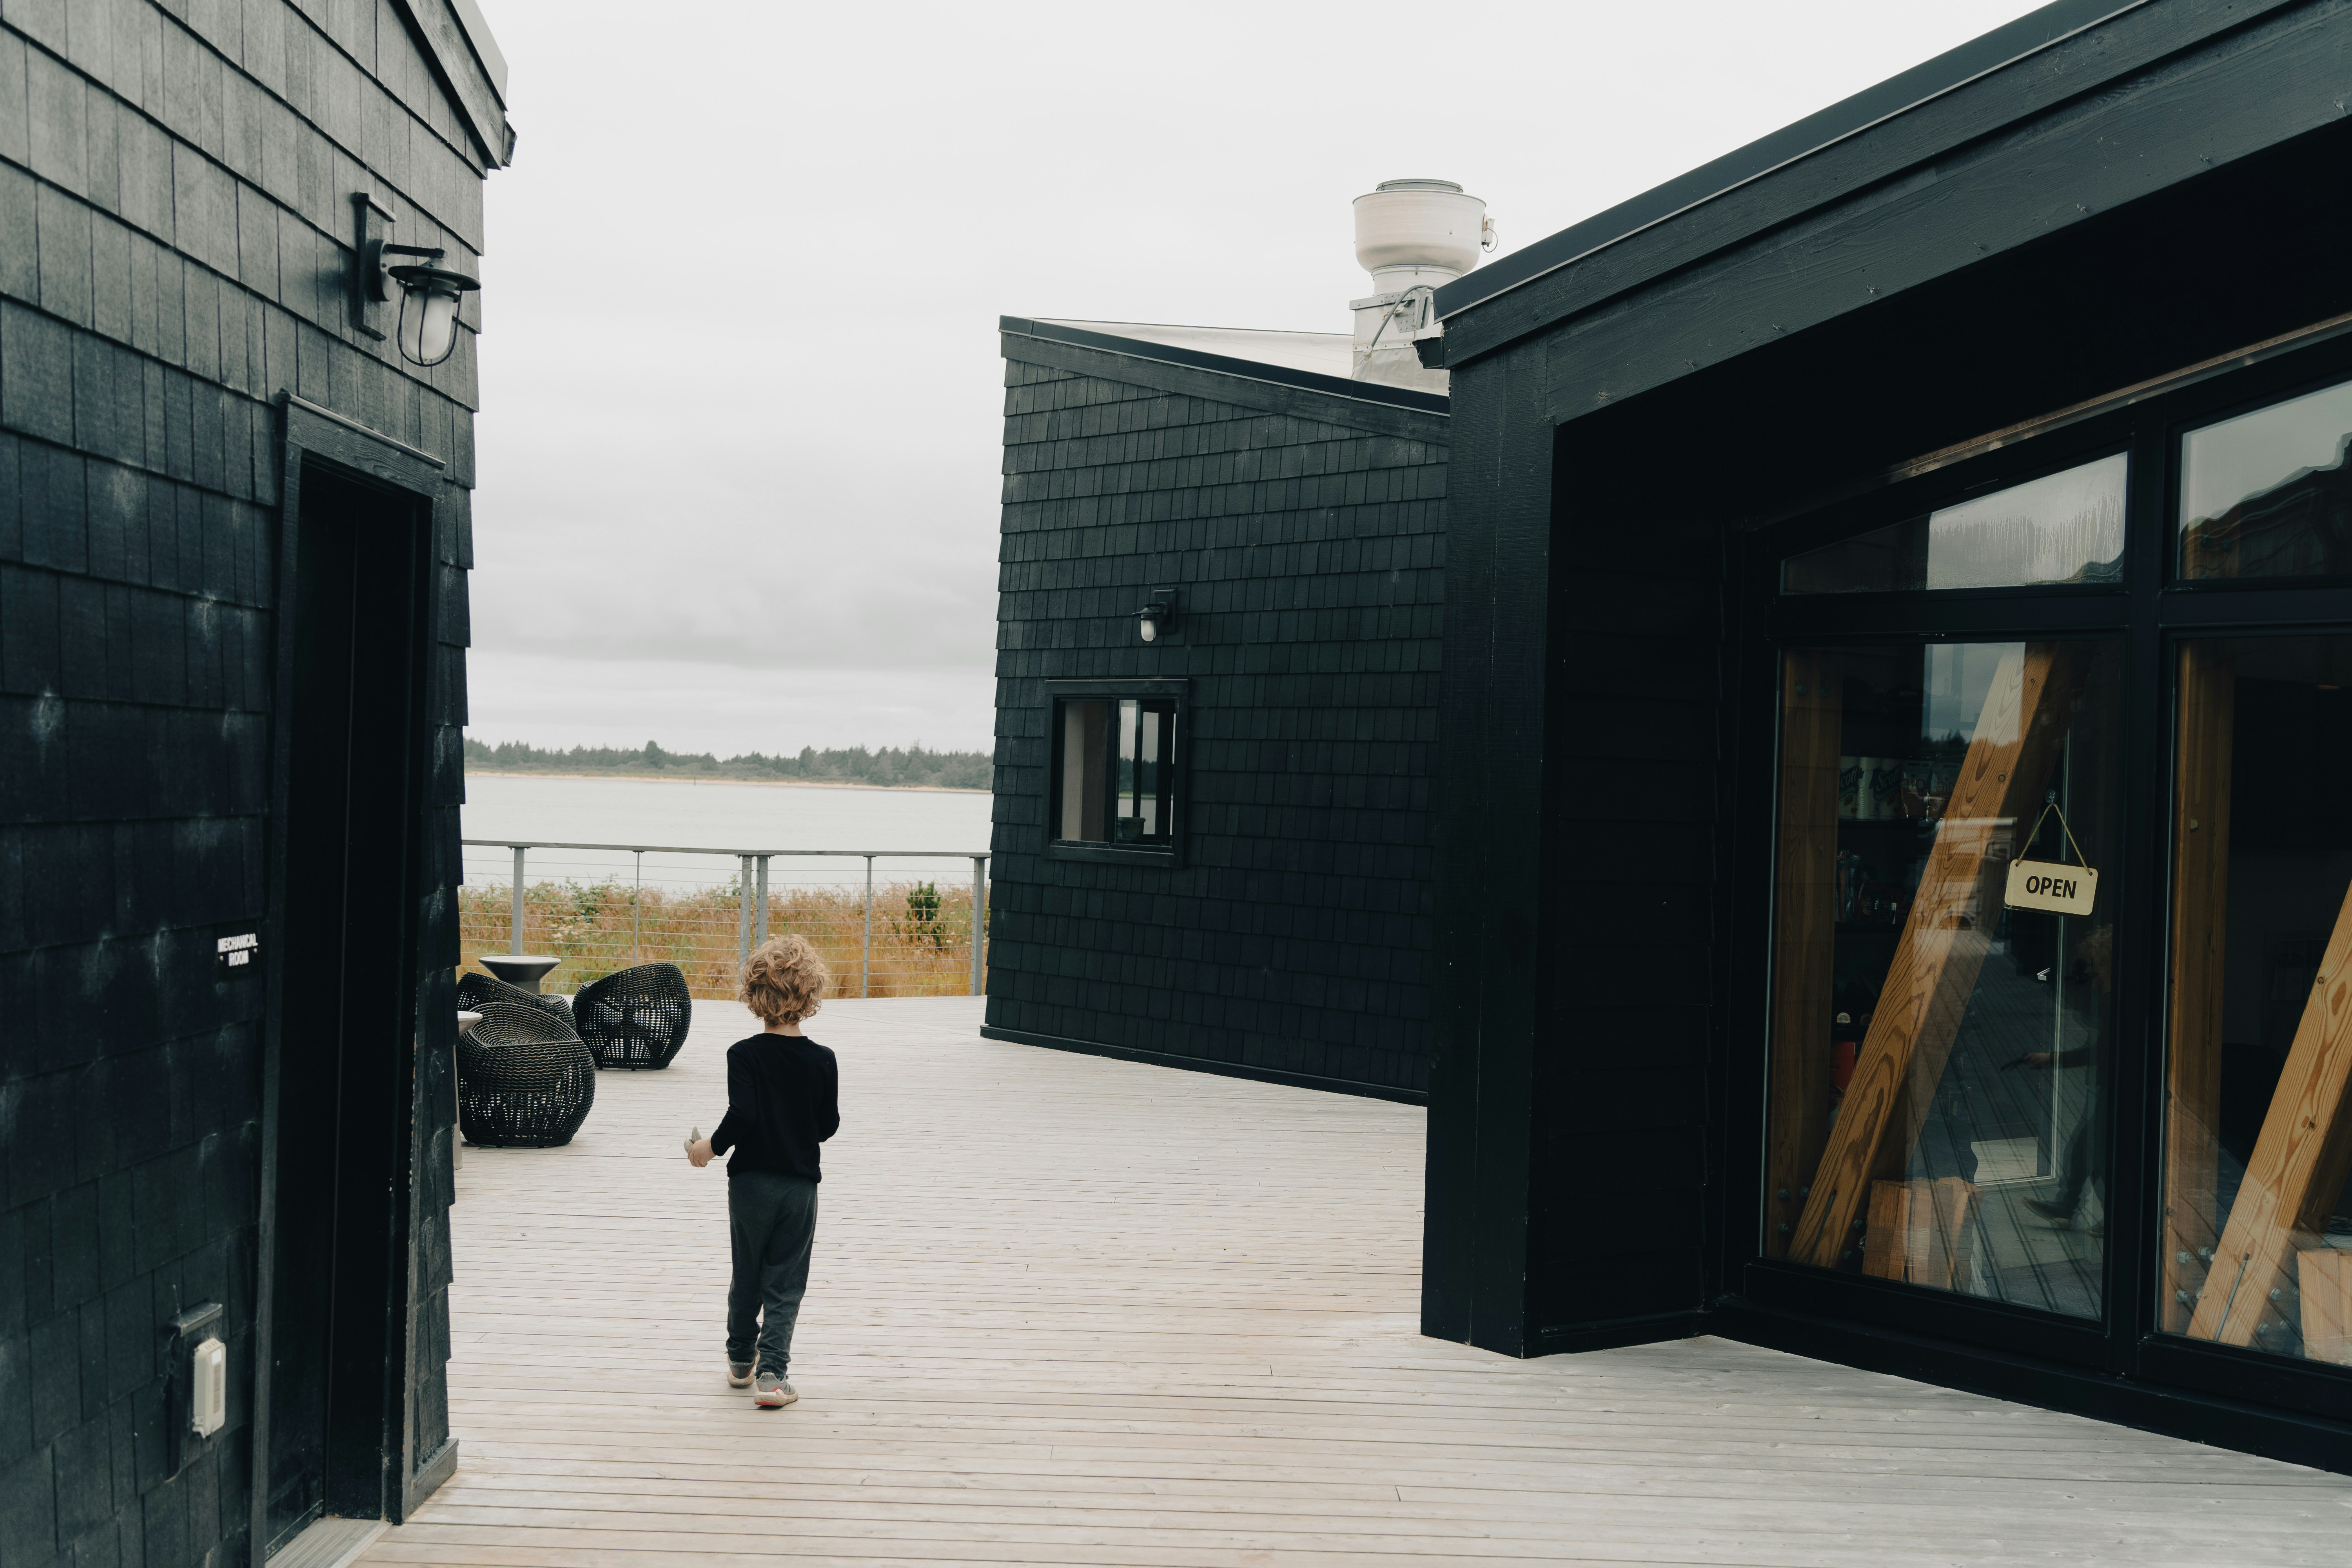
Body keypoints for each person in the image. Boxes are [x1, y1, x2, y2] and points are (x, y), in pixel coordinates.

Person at [685, 934, 839, 1408]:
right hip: (798, 1187)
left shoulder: (744, 1054)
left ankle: (739, 1360)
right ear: (811, 995)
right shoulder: (822, 1060)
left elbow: (744, 1114)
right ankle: (773, 1375)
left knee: (747, 1270)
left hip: (749, 1183)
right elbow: (827, 1127)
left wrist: (706, 1149)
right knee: (785, 1281)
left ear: (754, 996)